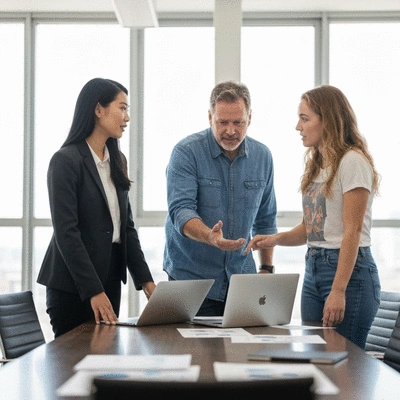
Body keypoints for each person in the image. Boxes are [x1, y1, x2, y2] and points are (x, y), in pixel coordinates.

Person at [245, 84, 381, 349]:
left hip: (348, 275)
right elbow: (311, 228)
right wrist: (274, 239)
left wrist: (339, 290)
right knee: (316, 360)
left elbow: (352, 231)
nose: (298, 126)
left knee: (344, 367)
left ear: (327, 120)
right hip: (315, 268)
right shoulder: (318, 165)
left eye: (304, 118)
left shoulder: (352, 162)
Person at [37, 78, 156, 338]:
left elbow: (126, 229)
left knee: (104, 363)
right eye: (122, 108)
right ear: (98, 109)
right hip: (72, 286)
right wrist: (93, 291)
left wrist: (147, 282)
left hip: (109, 280)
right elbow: (67, 233)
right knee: (73, 367)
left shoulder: (117, 160)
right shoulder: (65, 161)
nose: (127, 117)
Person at [163, 81, 278, 316]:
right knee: (192, 352)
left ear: (250, 118)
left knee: (240, 352)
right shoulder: (186, 152)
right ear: (209, 117)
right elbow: (181, 211)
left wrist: (266, 268)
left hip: (241, 280)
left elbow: (266, 219)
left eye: (238, 122)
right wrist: (210, 237)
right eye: (222, 122)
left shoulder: (263, 157)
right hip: (191, 279)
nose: (230, 131)